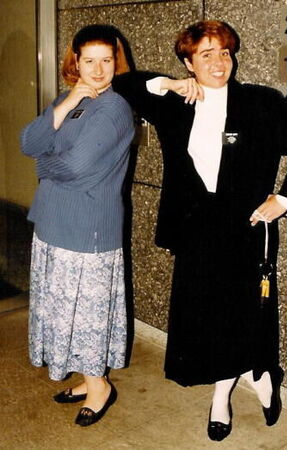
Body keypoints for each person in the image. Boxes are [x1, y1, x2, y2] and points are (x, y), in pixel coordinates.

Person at [112, 20, 287, 440]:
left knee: (238, 314)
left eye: (224, 52)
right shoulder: (174, 105)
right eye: (206, 54)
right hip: (195, 229)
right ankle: (259, 377)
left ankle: (223, 398)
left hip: (245, 227)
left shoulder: (261, 104)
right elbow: (124, 83)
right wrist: (167, 83)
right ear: (188, 62)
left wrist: (284, 199)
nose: (219, 63)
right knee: (205, 317)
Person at [21, 24, 135, 427]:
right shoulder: (73, 99)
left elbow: (74, 165)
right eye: (90, 61)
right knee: (62, 309)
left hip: (88, 228)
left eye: (107, 60)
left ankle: (100, 385)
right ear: (76, 63)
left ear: (116, 62)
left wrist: (44, 168)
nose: (99, 69)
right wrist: (67, 103)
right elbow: (30, 142)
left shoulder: (115, 109)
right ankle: (89, 380)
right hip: (53, 221)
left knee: (86, 313)